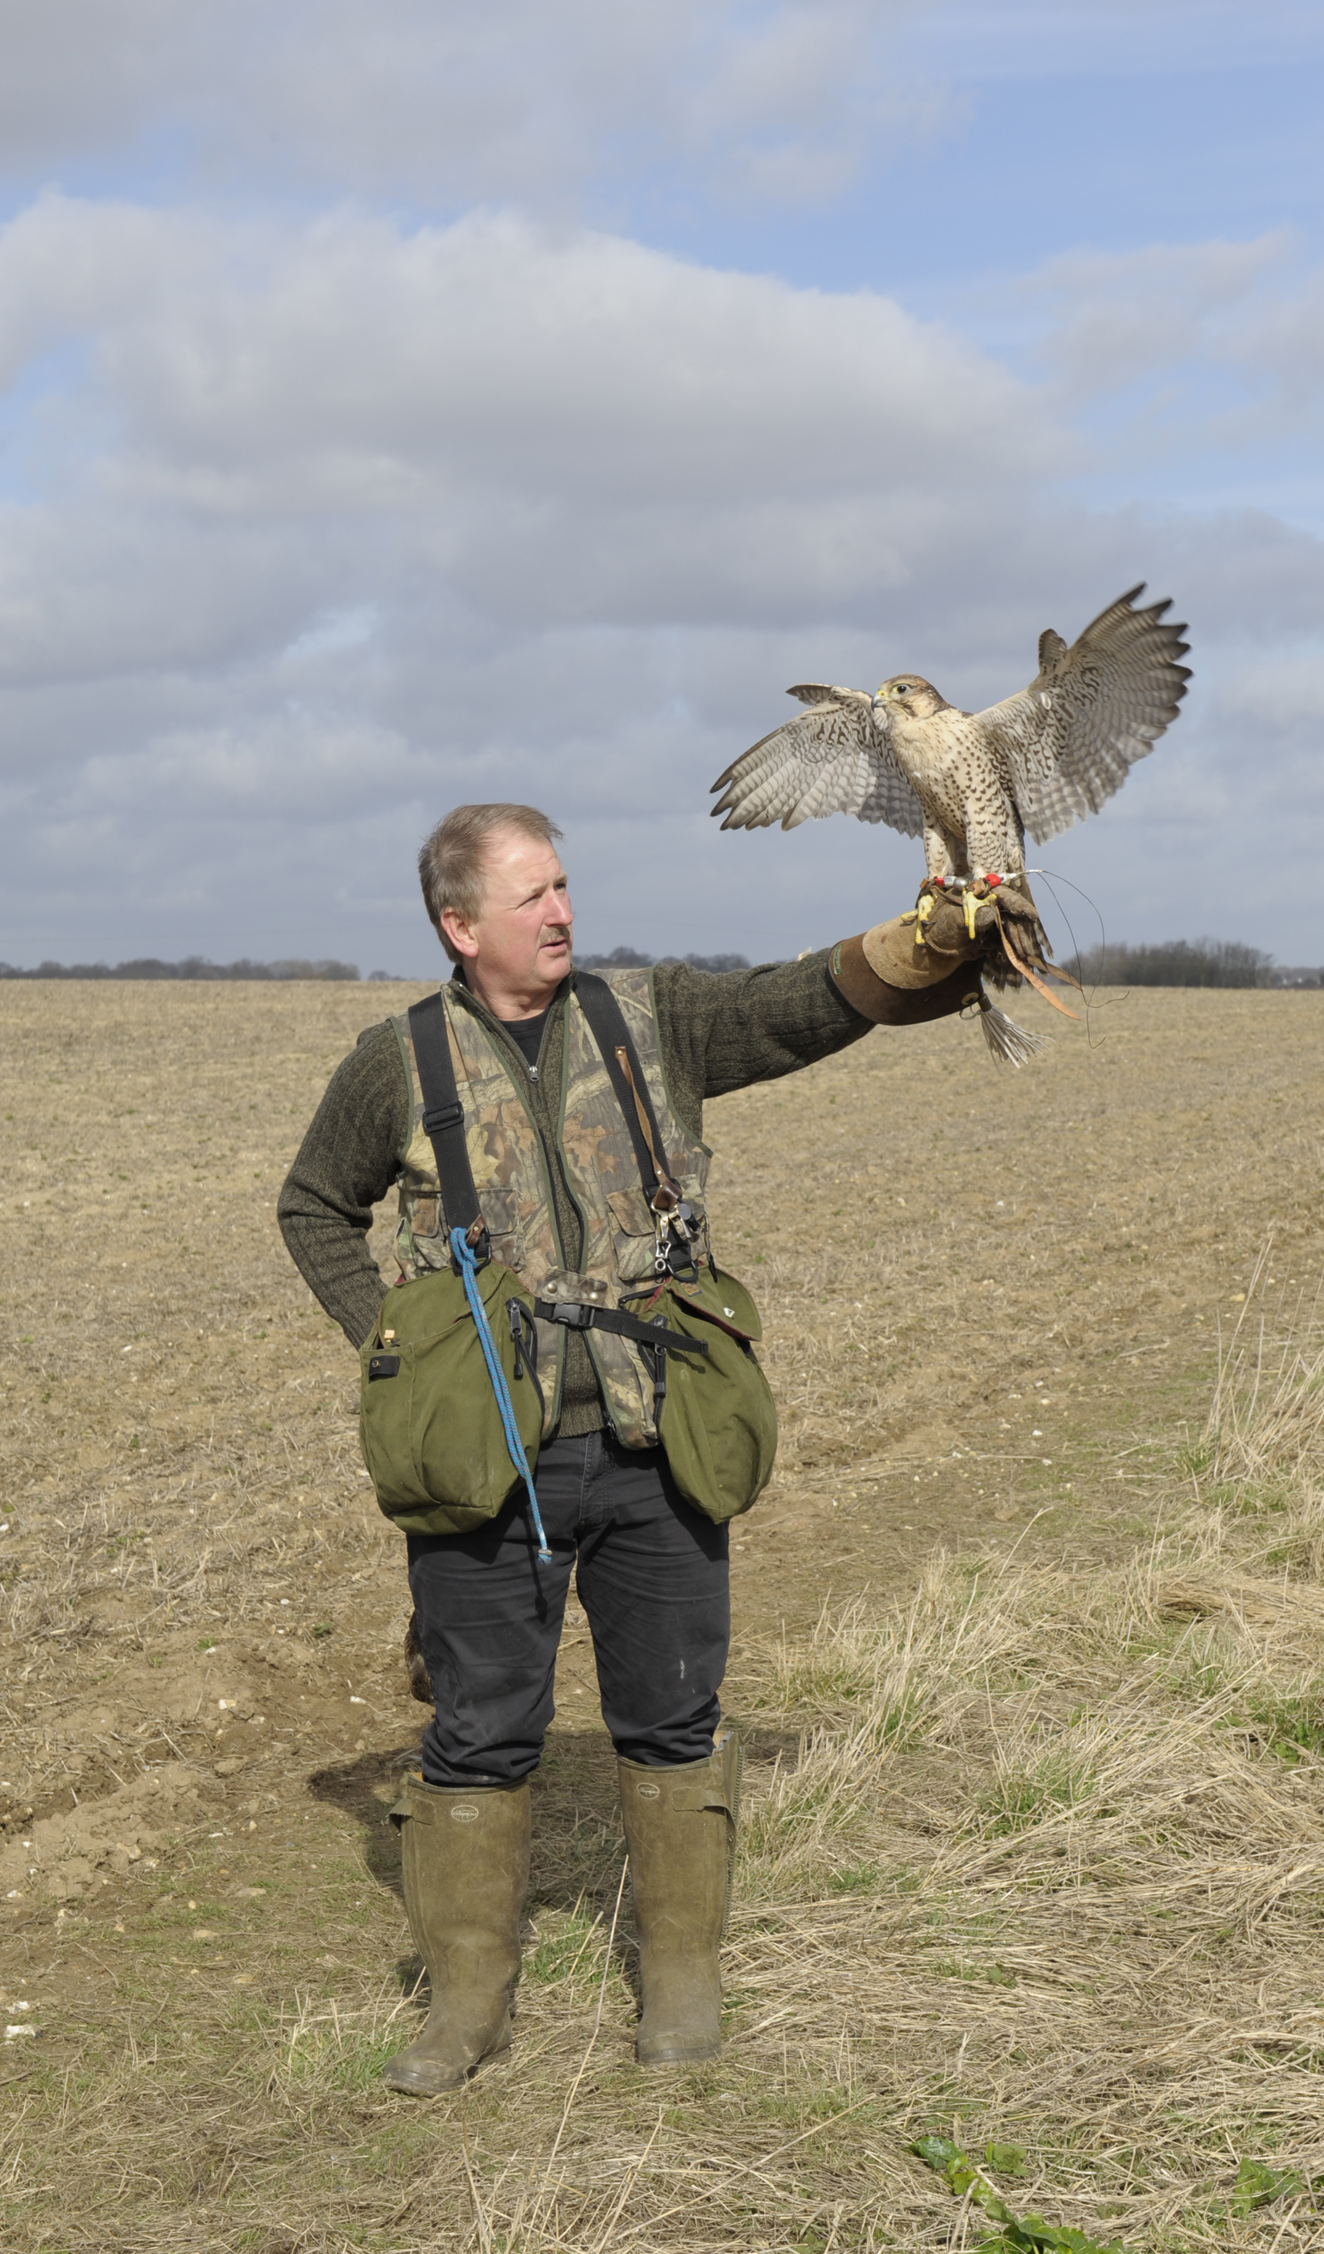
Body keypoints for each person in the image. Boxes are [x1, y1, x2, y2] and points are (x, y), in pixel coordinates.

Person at [278, 800, 998, 2096]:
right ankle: (469, 2005)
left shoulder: (651, 1023)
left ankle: (678, 1979)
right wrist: (397, 1337)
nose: (561, 910)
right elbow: (312, 1204)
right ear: (458, 923)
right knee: (481, 1729)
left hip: (654, 1435)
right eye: (531, 895)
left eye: (564, 884)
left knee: (671, 1710)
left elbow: (800, 1006)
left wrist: (920, 941)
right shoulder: (398, 1064)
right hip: (484, 1456)